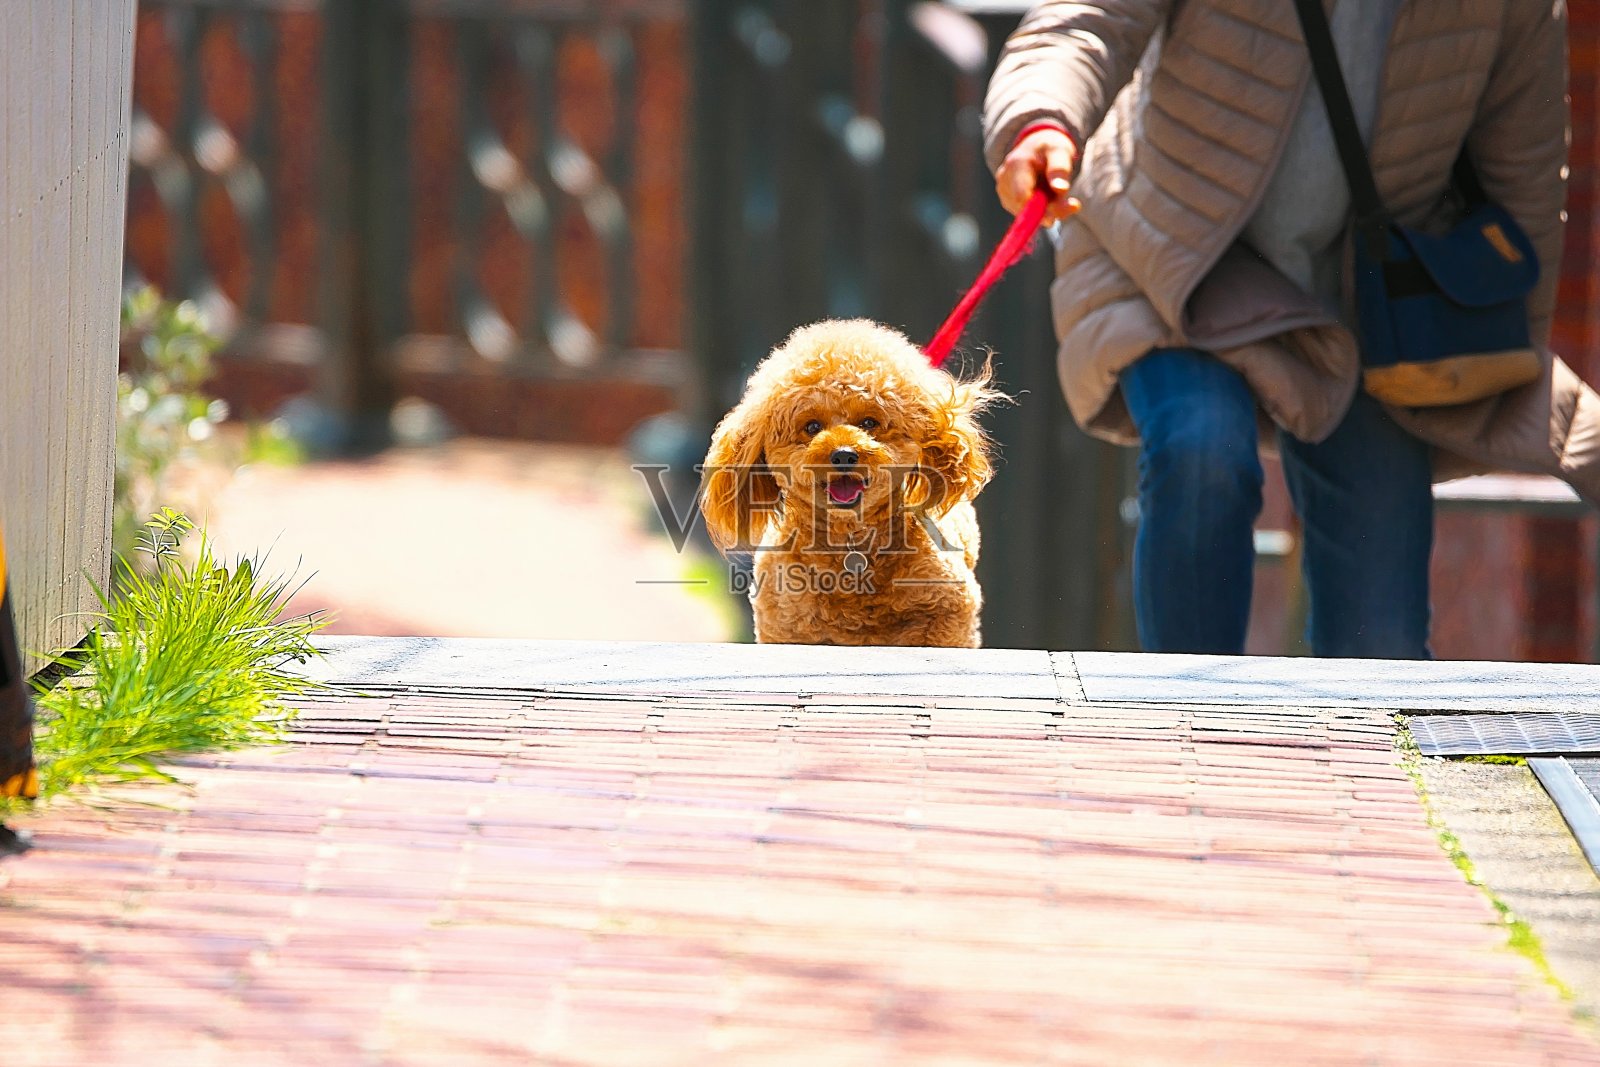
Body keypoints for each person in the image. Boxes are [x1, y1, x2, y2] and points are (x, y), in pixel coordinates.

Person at [983, 0, 1599, 658]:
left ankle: (1364, 731)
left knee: (1382, 636)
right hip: (1175, 258)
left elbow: (1523, 175)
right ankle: (1186, 709)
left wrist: (1493, 335)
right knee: (1202, 451)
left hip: (1366, 307)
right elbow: (1086, 20)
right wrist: (1040, 120)